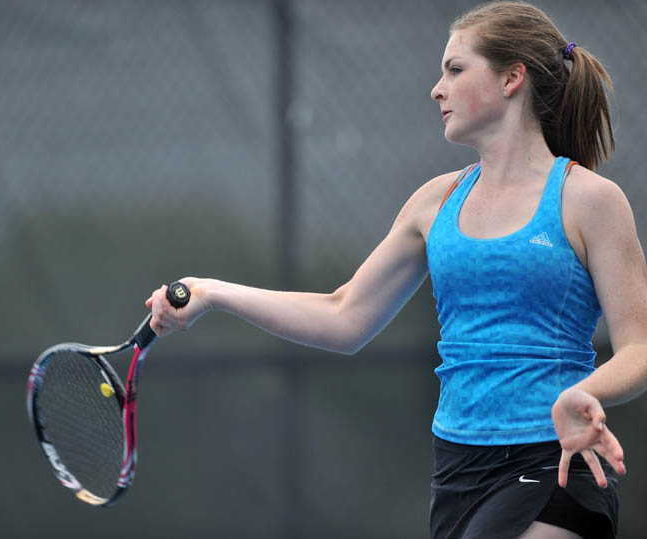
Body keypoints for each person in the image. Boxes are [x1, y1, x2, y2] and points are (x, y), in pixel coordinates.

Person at [146, 2, 646, 537]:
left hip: (556, 463)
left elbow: (639, 348)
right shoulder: (435, 202)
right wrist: (213, 290)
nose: (437, 88)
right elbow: (344, 316)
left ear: (511, 78)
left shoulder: (589, 200)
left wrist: (582, 393)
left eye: (455, 69)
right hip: (458, 472)